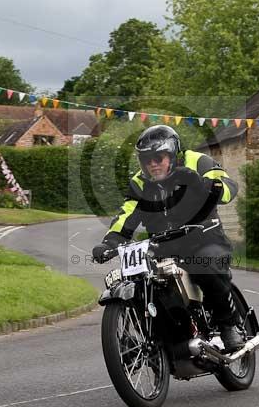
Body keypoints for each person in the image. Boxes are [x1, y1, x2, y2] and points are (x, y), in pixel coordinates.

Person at [92, 125, 243, 351]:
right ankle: (162, 337)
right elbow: (127, 215)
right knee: (141, 280)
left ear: (172, 155)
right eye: (146, 159)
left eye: (158, 157)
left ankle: (229, 325)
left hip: (204, 238)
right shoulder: (140, 183)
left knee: (206, 266)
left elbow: (229, 189)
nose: (152, 164)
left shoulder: (197, 162)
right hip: (164, 247)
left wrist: (199, 184)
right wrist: (110, 241)